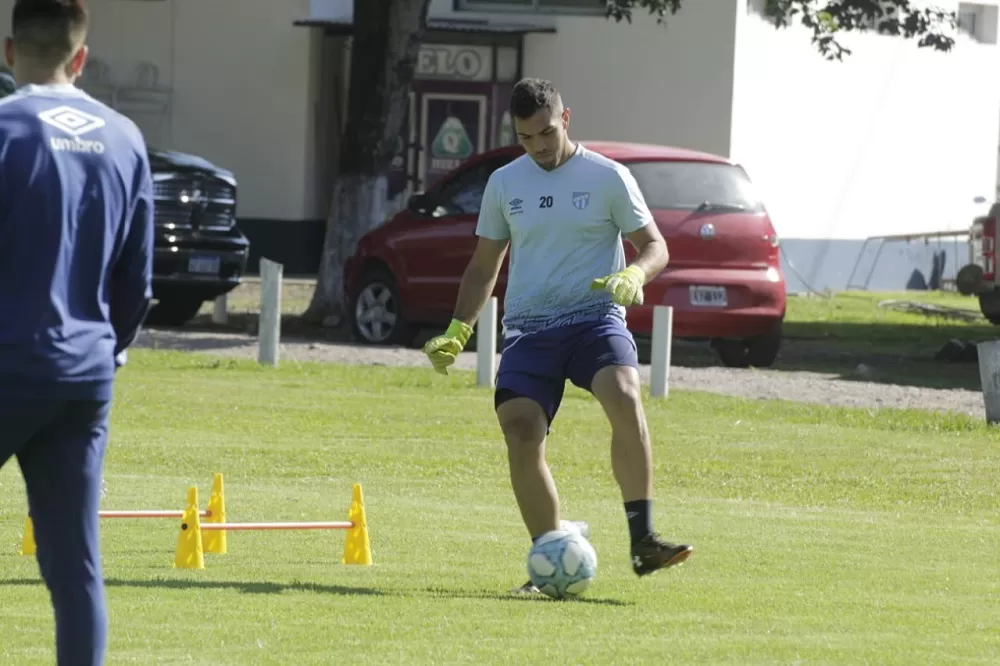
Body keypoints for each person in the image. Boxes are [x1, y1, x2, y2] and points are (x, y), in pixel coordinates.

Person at [423, 78, 693, 594]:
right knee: (521, 431)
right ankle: (551, 552)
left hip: (595, 319)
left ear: (566, 119)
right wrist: (459, 330)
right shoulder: (505, 183)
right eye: (526, 138)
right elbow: (484, 266)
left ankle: (643, 540)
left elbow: (653, 244)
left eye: (546, 133)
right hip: (529, 330)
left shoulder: (608, 177)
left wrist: (634, 275)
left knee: (624, 392)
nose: (539, 147)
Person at [0, 1, 154, 662]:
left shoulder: (5, 129)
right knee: (75, 569)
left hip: (6, 360)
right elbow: (137, 284)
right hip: (84, 374)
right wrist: (108, 348)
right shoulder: (124, 137)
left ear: (8, 53)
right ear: (81, 56)